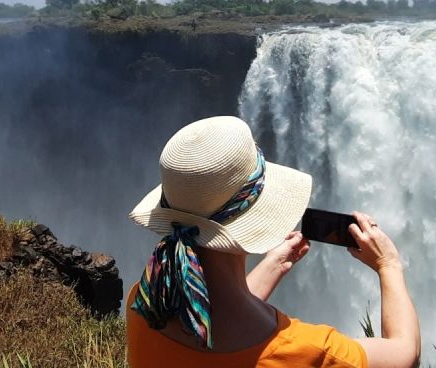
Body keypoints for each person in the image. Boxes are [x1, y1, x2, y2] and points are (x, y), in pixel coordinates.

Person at [126, 116, 420, 368]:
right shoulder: (301, 352)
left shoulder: (145, 303)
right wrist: (388, 264)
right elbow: (405, 354)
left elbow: (211, 312)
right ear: (253, 214)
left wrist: (275, 264)